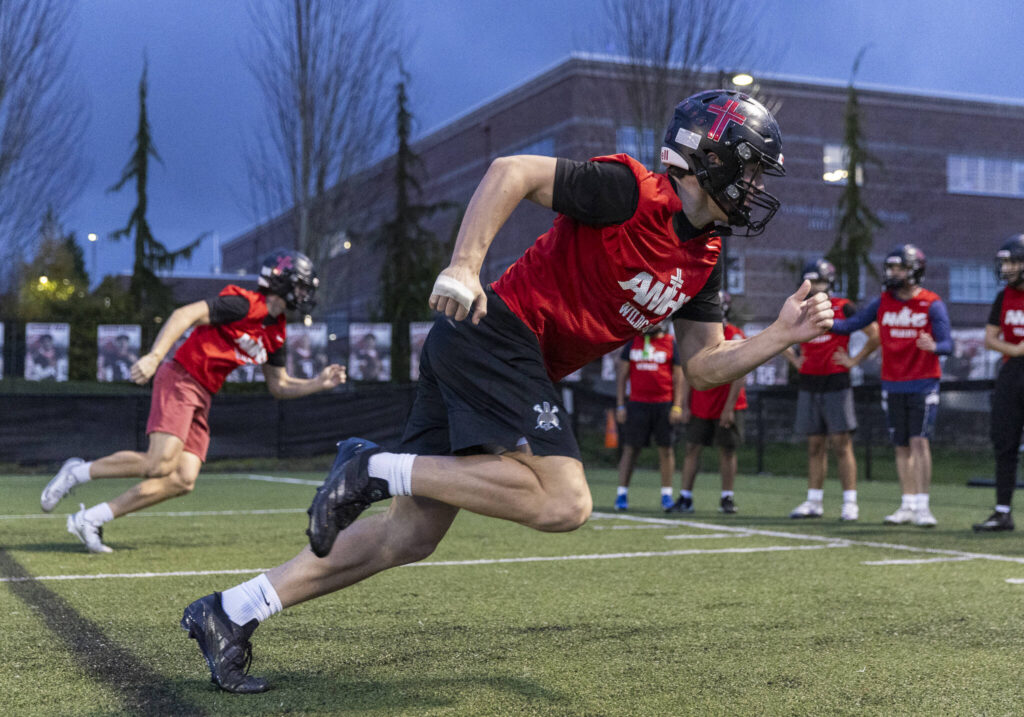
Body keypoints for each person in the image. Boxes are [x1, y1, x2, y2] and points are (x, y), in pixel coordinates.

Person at [179, 89, 834, 694]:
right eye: (750, 169)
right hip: (497, 334)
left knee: (407, 536)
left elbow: (705, 364)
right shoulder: (631, 190)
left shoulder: (707, 254)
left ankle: (231, 611)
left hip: (490, 354)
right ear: (711, 156)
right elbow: (509, 171)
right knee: (564, 501)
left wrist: (782, 333)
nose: (754, 188)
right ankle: (373, 466)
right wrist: (464, 264)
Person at [40, 249, 346, 553]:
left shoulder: (276, 333)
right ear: (280, 280)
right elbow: (183, 315)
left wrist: (319, 383)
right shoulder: (243, 304)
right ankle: (77, 472)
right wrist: (154, 356)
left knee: (182, 479)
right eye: (301, 285)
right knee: (159, 463)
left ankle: (90, 519)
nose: (304, 294)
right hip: (181, 376)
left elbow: (279, 385)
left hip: (203, 394)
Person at [830, 244, 951, 527]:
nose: (893, 273)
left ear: (915, 270)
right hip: (893, 383)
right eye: (891, 267)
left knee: (919, 442)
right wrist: (820, 321)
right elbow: (851, 325)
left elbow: (948, 344)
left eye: (899, 267)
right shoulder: (883, 301)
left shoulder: (932, 302)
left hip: (923, 382)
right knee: (900, 445)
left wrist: (934, 346)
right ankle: (907, 504)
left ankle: (923, 506)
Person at [783, 259, 879, 522]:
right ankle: (814, 501)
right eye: (811, 282)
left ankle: (850, 503)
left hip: (837, 380)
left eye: (820, 282)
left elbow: (875, 334)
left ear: (830, 283)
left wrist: (853, 361)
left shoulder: (842, 306)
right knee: (814, 445)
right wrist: (795, 360)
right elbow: (780, 336)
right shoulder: (800, 309)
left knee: (842, 444)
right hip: (809, 381)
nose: (815, 287)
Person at [669, 292, 747, 514]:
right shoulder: (697, 336)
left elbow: (740, 374)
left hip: (727, 402)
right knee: (692, 447)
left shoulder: (735, 334)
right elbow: (686, 371)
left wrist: (729, 408)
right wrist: (683, 405)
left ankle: (727, 497)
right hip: (701, 401)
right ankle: (685, 497)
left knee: (727, 450)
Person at [973, 233, 1024, 532]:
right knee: (1004, 442)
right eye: (1004, 262)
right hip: (1011, 373)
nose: (1007, 268)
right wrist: (1016, 349)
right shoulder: (1004, 296)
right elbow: (990, 339)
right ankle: (1002, 512)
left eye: (1013, 261)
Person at [613, 320, 684, 512]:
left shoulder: (671, 344)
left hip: (664, 405)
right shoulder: (633, 342)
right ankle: (621, 494)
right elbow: (622, 376)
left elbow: (679, 378)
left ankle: (666, 496)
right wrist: (620, 405)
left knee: (666, 450)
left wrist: (677, 406)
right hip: (637, 404)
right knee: (630, 449)